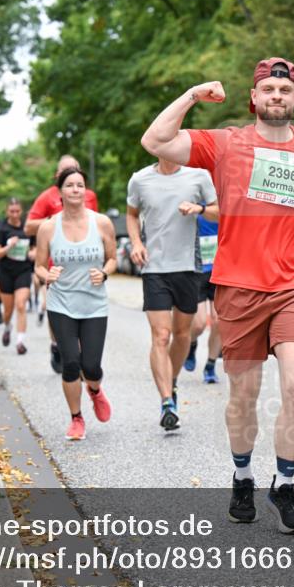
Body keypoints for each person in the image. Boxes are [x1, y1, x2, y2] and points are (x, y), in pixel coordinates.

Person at [141, 57, 294, 534]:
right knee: (244, 396)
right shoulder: (226, 143)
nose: (276, 96)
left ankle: (284, 486)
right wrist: (192, 95)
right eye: (268, 89)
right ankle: (243, 477)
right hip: (239, 288)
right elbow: (155, 141)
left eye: (284, 90)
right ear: (254, 97)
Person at [126, 158, 218, 429]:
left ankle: (172, 381)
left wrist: (200, 208)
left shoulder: (199, 176)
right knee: (161, 335)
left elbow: (220, 212)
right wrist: (136, 243)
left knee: (182, 334)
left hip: (188, 266)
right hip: (154, 267)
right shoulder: (140, 179)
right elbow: (131, 214)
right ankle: (167, 401)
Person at [35, 167, 116, 441]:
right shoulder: (48, 228)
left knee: (91, 367)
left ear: (85, 191)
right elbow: (38, 266)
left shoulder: (102, 223)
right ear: (60, 191)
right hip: (61, 303)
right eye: (70, 185)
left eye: (80, 185)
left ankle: (95, 390)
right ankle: (76, 418)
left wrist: (104, 272)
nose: (75, 189)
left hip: (94, 304)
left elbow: (113, 259)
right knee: (70, 363)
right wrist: (47, 275)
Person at [27, 155, 100, 375]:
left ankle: (81, 360)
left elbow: (96, 224)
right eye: (66, 171)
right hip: (56, 268)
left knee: (85, 316)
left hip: (85, 267)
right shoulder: (47, 197)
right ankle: (56, 344)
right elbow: (28, 226)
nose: (74, 185)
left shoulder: (89, 196)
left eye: (75, 169)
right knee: (58, 313)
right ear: (57, 176)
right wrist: (57, 219)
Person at [183, 204, 222, 385]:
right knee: (198, 324)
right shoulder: (194, 203)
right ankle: (191, 345)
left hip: (220, 270)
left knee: (219, 321)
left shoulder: (225, 203)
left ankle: (210, 365)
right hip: (197, 270)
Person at [0, 199, 35, 355]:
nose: (15, 214)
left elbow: (36, 248)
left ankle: (20, 342)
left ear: (21, 211)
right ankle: (7, 327)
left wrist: (33, 253)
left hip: (23, 271)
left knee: (21, 305)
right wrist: (8, 246)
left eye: (17, 211)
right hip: (6, 273)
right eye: (12, 211)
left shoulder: (27, 228)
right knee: (8, 311)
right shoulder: (1, 229)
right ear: (7, 212)